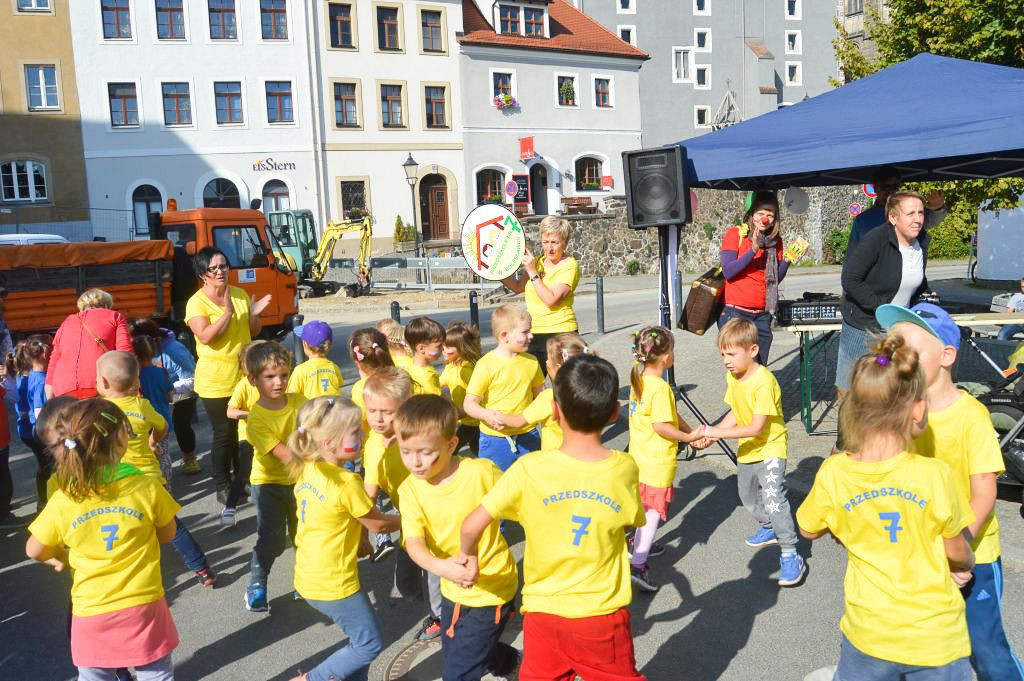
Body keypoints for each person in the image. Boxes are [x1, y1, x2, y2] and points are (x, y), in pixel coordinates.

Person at [796, 335, 975, 680]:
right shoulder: (934, 474)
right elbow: (958, 552)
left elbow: (808, 528)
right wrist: (964, 564)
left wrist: (844, 525)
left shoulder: (835, 473)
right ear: (918, 409)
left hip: (869, 634)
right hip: (935, 637)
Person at [460, 355, 647, 681]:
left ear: (555, 411)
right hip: (600, 614)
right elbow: (630, 520)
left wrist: (467, 558)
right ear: (615, 413)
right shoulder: (623, 467)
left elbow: (472, 523)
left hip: (542, 612)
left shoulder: (529, 470)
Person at [877, 302, 1024, 681]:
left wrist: (958, 550)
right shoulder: (899, 414)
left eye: (909, 351)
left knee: (984, 647)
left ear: (946, 355)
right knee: (923, 646)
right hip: (921, 553)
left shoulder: (971, 416)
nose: (897, 359)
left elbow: (985, 493)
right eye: (893, 350)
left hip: (973, 555)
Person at [26, 399, 181, 680]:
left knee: (95, 676)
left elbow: (33, 548)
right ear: (120, 441)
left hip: (91, 609)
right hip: (143, 601)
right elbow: (168, 533)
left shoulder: (64, 497)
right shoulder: (146, 486)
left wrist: (60, 558)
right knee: (155, 672)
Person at [395, 395, 519, 681]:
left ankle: (501, 660)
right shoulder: (410, 489)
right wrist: (443, 569)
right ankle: (509, 660)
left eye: (425, 452)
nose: (414, 462)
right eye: (405, 451)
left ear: (451, 445)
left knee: (458, 672)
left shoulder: (480, 473)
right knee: (457, 653)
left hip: (492, 587)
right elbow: (414, 543)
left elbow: (522, 503)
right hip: (452, 588)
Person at [285, 397, 401, 681]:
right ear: (328, 443)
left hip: (309, 575)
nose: (363, 435)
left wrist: (360, 536)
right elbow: (380, 524)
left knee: (356, 647)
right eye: (355, 432)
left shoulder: (308, 468)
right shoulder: (347, 483)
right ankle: (309, 679)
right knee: (368, 644)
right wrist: (416, 520)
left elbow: (339, 515)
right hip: (334, 583)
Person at [96, 350, 216, 589]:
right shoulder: (142, 405)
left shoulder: (99, 412)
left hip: (119, 484)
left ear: (105, 382)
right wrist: (152, 442)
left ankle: (134, 578)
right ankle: (202, 568)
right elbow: (162, 426)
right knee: (172, 526)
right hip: (150, 480)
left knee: (129, 530)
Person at [704, 318, 806, 587]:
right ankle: (769, 526)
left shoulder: (764, 381)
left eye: (731, 354)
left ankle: (790, 553)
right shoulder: (733, 376)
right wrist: (711, 433)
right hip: (748, 450)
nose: (726, 360)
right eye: (722, 354)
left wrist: (717, 433)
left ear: (752, 350)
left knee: (773, 499)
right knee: (747, 495)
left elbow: (756, 426)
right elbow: (734, 413)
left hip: (770, 446)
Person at [626, 326, 710, 592]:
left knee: (643, 508)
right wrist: (687, 439)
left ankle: (636, 545)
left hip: (638, 459)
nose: (674, 354)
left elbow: (668, 416)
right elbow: (661, 426)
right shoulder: (660, 388)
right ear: (665, 357)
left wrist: (689, 432)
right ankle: (638, 564)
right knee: (652, 513)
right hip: (656, 463)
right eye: (672, 350)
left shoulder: (638, 381)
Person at [362, 368, 443, 640]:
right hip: (409, 519)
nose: (378, 418)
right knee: (406, 583)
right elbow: (368, 492)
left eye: (387, 412)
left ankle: (441, 618)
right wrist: (363, 532)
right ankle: (447, 600)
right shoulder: (373, 443)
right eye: (372, 410)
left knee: (432, 571)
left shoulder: (416, 437)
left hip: (434, 516)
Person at [186, 246, 271, 505]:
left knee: (243, 430)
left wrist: (255, 315)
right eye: (214, 268)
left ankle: (241, 480)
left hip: (243, 377)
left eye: (224, 266)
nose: (221, 272)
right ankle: (222, 485)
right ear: (203, 274)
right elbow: (206, 337)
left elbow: (252, 331)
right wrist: (227, 312)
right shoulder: (196, 302)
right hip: (215, 380)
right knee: (224, 432)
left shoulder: (240, 294)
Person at [836, 191, 931, 392]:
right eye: (910, 213)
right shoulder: (875, 239)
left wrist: (928, 297)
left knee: (890, 385)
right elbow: (850, 279)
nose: (917, 220)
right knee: (852, 387)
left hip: (897, 327)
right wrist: (881, 307)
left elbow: (913, 280)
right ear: (892, 217)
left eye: (921, 213)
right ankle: (848, 423)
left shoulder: (922, 240)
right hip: (864, 326)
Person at [242, 341, 305, 612]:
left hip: (300, 481)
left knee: (304, 533)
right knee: (273, 538)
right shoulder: (256, 419)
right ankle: (257, 582)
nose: (278, 382)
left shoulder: (300, 402)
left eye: (283, 375)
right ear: (253, 379)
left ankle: (305, 581)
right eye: (270, 377)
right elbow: (286, 454)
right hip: (269, 484)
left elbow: (319, 428)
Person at [719, 190, 798, 365]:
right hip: (737, 313)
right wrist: (753, 249)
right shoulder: (736, 234)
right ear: (752, 213)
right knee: (740, 369)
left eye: (770, 215)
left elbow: (775, 277)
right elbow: (729, 271)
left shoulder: (775, 241)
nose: (765, 219)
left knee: (759, 367)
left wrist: (788, 259)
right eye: (761, 213)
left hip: (762, 315)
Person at [463, 305, 544, 471]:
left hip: (528, 434)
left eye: (530, 330)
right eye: (525, 332)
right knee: (495, 485)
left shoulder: (532, 362)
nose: (531, 335)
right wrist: (487, 415)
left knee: (530, 485)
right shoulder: (485, 365)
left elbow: (541, 397)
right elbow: (469, 403)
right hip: (494, 440)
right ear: (504, 335)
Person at [502, 216, 580, 374]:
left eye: (554, 243)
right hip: (534, 333)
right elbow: (518, 287)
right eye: (545, 242)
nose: (549, 248)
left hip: (561, 333)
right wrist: (497, 273)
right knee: (529, 385)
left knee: (562, 386)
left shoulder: (570, 265)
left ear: (564, 242)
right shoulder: (537, 262)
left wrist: (531, 271)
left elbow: (551, 300)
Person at [130, 319, 200, 475]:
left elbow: (193, 379)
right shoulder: (140, 352)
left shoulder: (174, 350)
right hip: (162, 389)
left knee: (181, 424)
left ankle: (190, 458)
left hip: (181, 389)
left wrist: (164, 388)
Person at [499, 333, 590, 452]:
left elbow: (518, 421)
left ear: (557, 367)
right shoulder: (590, 393)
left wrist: (496, 416)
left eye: (548, 359)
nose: (546, 362)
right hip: (585, 455)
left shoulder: (549, 397)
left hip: (555, 460)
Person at [46, 288, 132, 399]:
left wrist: (50, 398)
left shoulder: (66, 322)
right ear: (106, 305)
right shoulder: (114, 316)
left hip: (63, 389)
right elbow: (124, 352)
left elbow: (54, 359)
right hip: (100, 384)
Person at [848, 166, 946, 246]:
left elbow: (932, 220)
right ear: (875, 188)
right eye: (885, 187)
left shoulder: (910, 212)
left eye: (894, 186)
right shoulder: (862, 220)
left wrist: (938, 208)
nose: (890, 190)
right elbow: (852, 255)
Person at [224, 341, 266, 527]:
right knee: (243, 474)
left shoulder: (271, 381)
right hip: (248, 437)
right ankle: (230, 508)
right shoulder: (243, 385)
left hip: (269, 436)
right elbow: (230, 412)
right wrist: (250, 415)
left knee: (268, 474)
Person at [132, 336, 175, 484]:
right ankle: (167, 486)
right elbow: (169, 397)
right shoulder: (161, 371)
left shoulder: (135, 376)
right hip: (161, 419)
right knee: (163, 454)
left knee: (146, 453)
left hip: (142, 419)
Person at [15, 335, 51, 509]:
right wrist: (46, 438)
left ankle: (43, 500)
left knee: (43, 466)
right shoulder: (41, 380)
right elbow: (39, 411)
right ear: (44, 354)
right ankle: (44, 501)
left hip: (30, 430)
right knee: (48, 467)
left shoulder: (28, 376)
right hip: (40, 432)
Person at [440, 321, 482, 456]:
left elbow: (482, 393)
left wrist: (466, 410)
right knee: (478, 449)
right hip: (465, 419)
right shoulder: (450, 366)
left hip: (473, 420)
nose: (443, 349)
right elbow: (437, 385)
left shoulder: (466, 370)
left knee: (450, 450)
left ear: (462, 348)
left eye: (448, 347)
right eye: (443, 345)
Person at [348, 328, 397, 440]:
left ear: (357, 362)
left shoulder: (361, 387)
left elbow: (356, 420)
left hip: (374, 448)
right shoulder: (399, 376)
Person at [287, 321, 343, 400]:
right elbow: (339, 386)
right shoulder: (334, 367)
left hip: (312, 411)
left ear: (305, 344)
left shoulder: (300, 370)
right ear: (329, 346)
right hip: (333, 410)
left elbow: (291, 395)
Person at [404, 317, 445, 396]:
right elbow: (438, 400)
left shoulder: (410, 364)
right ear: (421, 348)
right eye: (439, 346)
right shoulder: (428, 377)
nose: (442, 348)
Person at [997, 277, 1024, 341]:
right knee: (1002, 334)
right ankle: (1003, 350)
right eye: (1022, 287)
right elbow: (1009, 313)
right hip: (1017, 323)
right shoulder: (1016, 297)